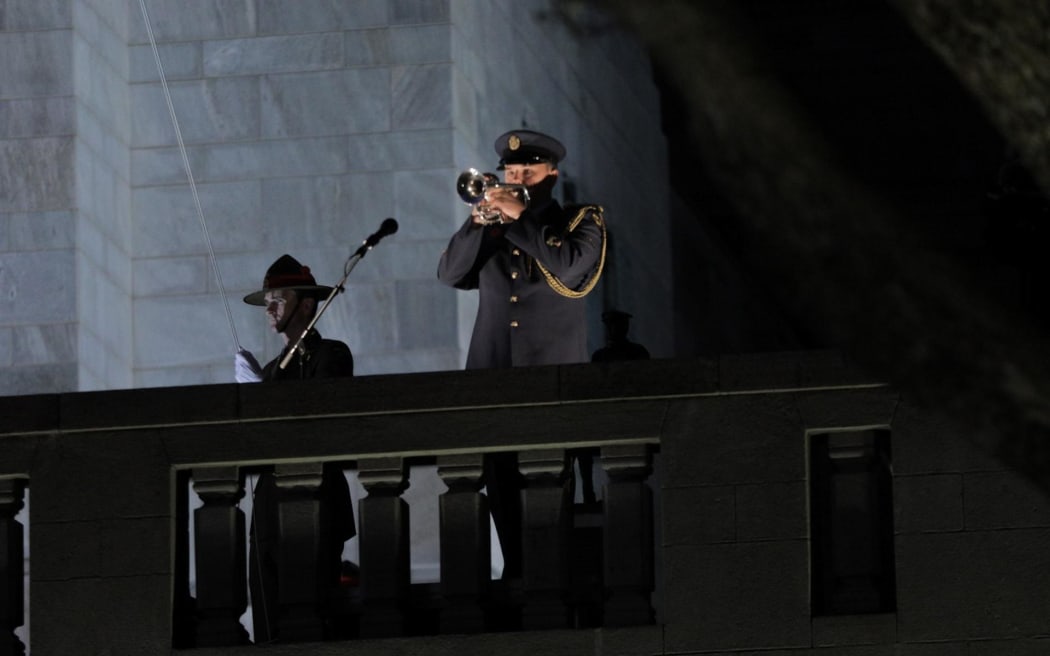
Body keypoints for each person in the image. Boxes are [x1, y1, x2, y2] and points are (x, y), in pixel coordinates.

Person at [437, 129, 607, 578]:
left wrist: (519, 216)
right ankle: (515, 579)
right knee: (503, 497)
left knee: (547, 497)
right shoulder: (494, 226)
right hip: (492, 384)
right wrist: (477, 223)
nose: (516, 180)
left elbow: (569, 266)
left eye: (527, 172)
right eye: (511, 173)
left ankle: (550, 583)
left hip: (550, 386)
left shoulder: (580, 221)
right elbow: (450, 274)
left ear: (551, 174)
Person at [234, 254, 356, 643]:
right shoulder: (271, 370)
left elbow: (316, 422)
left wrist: (264, 396)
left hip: (315, 508)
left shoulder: (331, 355)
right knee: (269, 625)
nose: (269, 309)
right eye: (267, 300)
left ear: (305, 305)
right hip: (269, 513)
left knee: (311, 622)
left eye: (278, 300)